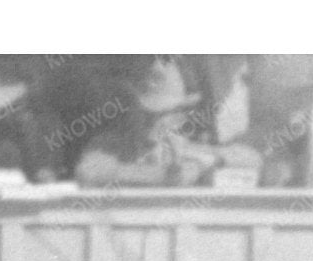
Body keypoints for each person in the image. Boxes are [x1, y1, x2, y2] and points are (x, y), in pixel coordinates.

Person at [71, 61, 221, 190]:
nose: (161, 122)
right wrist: (161, 176)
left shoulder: (184, 148)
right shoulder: (117, 143)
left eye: (172, 113)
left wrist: (199, 166)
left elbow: (236, 155)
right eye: (150, 115)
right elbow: (87, 171)